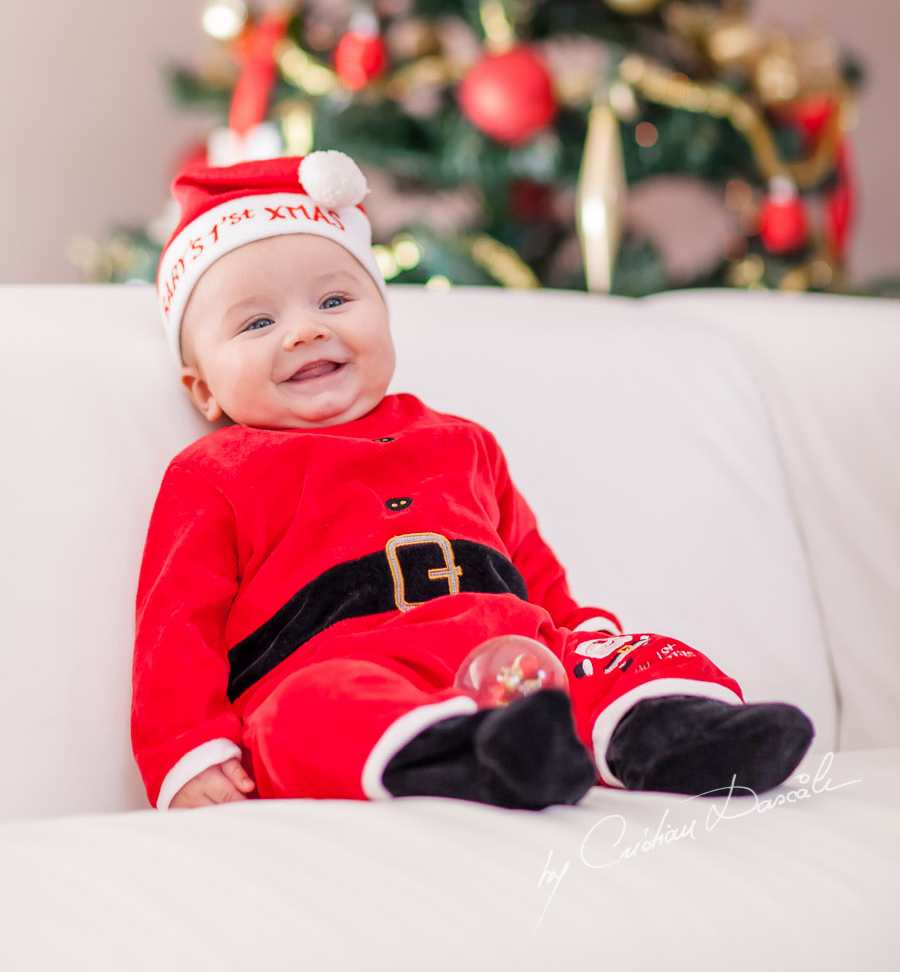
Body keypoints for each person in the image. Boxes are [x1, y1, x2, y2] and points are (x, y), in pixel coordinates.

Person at [132, 150, 814, 812]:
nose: (306, 331)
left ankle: (668, 731)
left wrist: (586, 642)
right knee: (304, 715)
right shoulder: (215, 475)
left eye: (336, 300)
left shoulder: (462, 443)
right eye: (258, 322)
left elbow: (535, 574)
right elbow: (174, 632)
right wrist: (187, 749)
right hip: (347, 671)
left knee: (622, 655)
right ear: (202, 389)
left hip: (514, 660)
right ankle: (464, 755)